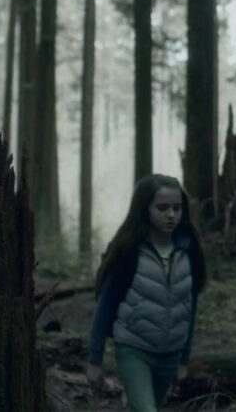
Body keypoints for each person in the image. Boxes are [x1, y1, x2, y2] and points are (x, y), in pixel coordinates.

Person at [86, 174, 207, 412]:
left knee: (149, 406)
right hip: (133, 348)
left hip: (170, 353)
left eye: (176, 208)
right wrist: (95, 359)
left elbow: (189, 310)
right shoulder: (129, 250)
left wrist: (184, 359)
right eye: (162, 208)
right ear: (145, 208)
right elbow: (106, 306)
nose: (171, 214)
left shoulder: (189, 250)